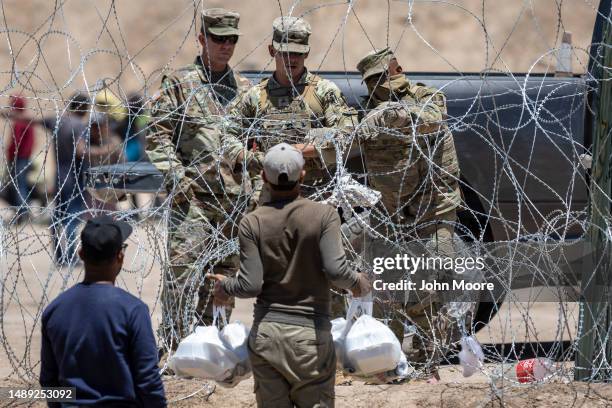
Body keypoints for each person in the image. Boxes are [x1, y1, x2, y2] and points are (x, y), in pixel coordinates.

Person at [209, 143, 371, 407]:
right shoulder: (324, 215)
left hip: (267, 338)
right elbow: (336, 271)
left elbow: (250, 285)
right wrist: (359, 282)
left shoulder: (253, 221)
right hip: (310, 339)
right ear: (303, 175)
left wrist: (225, 286)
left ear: (263, 177)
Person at [146, 8, 263, 351]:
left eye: (232, 40)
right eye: (218, 39)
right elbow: (157, 133)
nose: (226, 46)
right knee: (183, 278)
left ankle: (213, 346)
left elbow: (255, 144)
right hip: (194, 201)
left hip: (234, 204)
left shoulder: (243, 90)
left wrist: (254, 192)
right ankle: (175, 348)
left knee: (224, 282)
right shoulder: (181, 85)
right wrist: (178, 182)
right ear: (202, 39)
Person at [354, 47, 463, 382]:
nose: (380, 88)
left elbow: (431, 119)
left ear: (397, 70)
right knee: (387, 291)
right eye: (374, 83)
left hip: (432, 213)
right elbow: (351, 143)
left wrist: (389, 115)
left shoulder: (427, 97)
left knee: (428, 290)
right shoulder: (366, 112)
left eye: (383, 78)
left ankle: (429, 364)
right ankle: (391, 361)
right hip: (388, 217)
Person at [226, 16, 357, 205]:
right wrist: (255, 159)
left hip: (316, 195)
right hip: (268, 195)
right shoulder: (255, 96)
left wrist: (299, 151)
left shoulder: (324, 92)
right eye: (286, 52)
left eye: (298, 53)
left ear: (307, 53)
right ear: (272, 51)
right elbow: (227, 133)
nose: (292, 59)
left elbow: (348, 135)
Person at [40, 215, 166, 407]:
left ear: (81, 254)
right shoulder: (132, 310)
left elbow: (50, 381)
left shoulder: (55, 310)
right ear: (120, 256)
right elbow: (148, 380)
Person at [38, 92, 90, 266]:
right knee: (72, 217)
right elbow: (80, 151)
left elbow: (32, 119)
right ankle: (70, 256)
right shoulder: (79, 125)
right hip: (74, 177)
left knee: (58, 216)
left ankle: (60, 255)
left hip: (59, 175)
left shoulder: (58, 121)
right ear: (83, 108)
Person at [6, 95, 36, 223]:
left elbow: (16, 143)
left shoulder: (19, 123)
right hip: (24, 158)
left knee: (19, 186)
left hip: (19, 159)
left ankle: (22, 214)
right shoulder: (26, 120)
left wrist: (10, 155)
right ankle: (22, 212)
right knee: (21, 185)